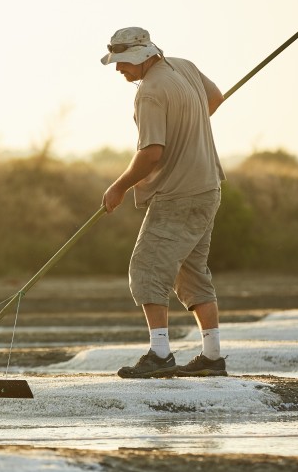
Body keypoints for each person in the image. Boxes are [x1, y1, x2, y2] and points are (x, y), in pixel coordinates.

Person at [100, 27, 227, 378]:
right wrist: (189, 126)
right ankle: (212, 357)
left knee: (146, 269)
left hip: (179, 195)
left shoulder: (150, 94)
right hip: (208, 187)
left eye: (122, 62)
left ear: (141, 57)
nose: (118, 69)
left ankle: (160, 355)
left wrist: (119, 187)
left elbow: (151, 154)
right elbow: (214, 97)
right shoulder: (183, 67)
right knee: (191, 271)